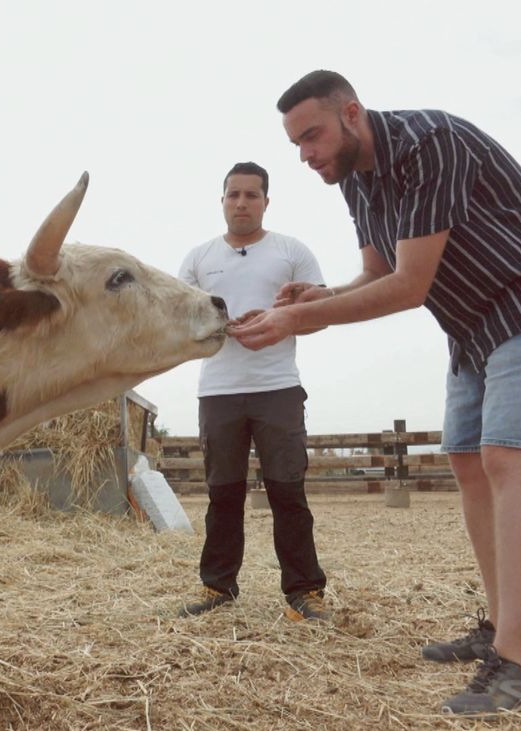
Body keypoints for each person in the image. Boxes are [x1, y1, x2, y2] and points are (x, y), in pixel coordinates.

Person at [230, 71, 521, 715]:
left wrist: (297, 319)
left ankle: (517, 668)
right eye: (296, 144)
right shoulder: (355, 178)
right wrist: (318, 298)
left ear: (351, 114)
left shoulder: (430, 143)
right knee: (466, 460)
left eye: (312, 135)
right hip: (472, 318)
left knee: (507, 457)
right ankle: (504, 628)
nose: (306, 154)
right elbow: (376, 274)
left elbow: (409, 287)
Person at [177, 161, 330, 623]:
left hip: (277, 388)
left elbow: (323, 315)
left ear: (266, 201)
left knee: (288, 492)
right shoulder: (198, 259)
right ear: (222, 200)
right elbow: (181, 323)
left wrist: (283, 318)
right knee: (223, 494)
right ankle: (217, 586)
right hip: (219, 391)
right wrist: (224, 326)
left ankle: (304, 592)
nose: (241, 203)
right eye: (234, 194)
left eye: (251, 195)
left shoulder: (291, 252)